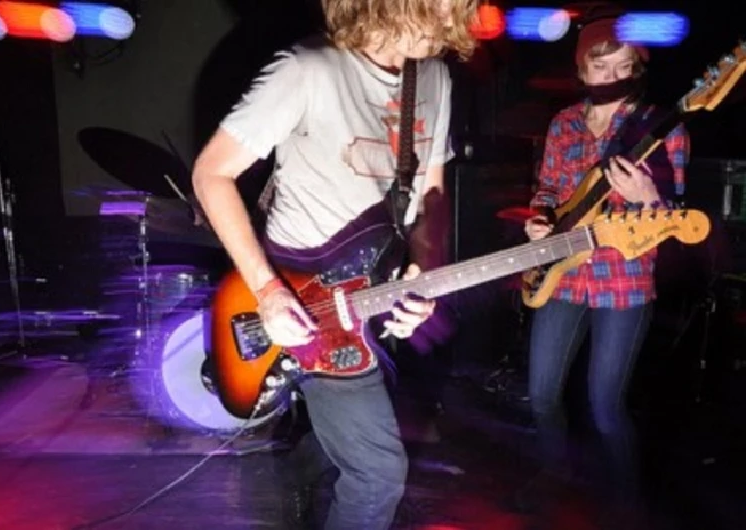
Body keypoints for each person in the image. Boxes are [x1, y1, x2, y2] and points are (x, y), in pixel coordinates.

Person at [191, 1, 477, 528]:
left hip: (370, 291)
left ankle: (295, 492)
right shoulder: (308, 70)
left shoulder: (435, 77)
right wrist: (269, 292)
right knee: (378, 474)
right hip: (301, 298)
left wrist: (424, 269)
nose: (450, 22)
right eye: (436, 6)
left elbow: (432, 193)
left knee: (335, 444)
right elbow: (211, 173)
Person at [520, 13, 690, 520]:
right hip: (563, 273)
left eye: (625, 64)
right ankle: (554, 473)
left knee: (605, 406)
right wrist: (540, 220)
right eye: (602, 65)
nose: (614, 75)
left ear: (638, 66)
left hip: (624, 282)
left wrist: (648, 198)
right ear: (583, 70)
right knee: (541, 394)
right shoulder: (563, 124)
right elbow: (547, 192)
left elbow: (674, 219)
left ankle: (626, 504)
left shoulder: (660, 129)